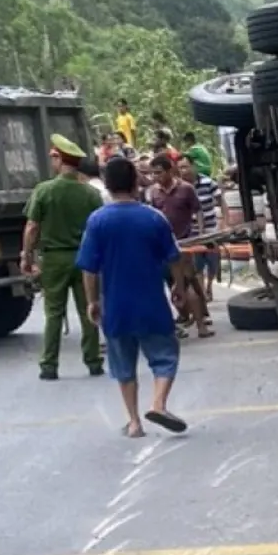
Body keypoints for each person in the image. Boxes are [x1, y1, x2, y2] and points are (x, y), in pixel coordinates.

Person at [78, 157, 189, 438]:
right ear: (135, 182)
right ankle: (159, 403)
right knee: (165, 356)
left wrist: (92, 301)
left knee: (122, 365)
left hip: (115, 306)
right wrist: (178, 286)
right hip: (151, 302)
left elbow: (89, 269)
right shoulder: (154, 217)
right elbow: (174, 257)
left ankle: (135, 423)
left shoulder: (97, 220)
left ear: (107, 184)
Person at [20, 133, 103, 380]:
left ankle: (49, 366)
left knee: (54, 313)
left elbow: (32, 227)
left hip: (54, 259)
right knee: (88, 308)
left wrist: (28, 256)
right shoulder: (90, 194)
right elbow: (99, 227)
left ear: (59, 159)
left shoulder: (44, 190)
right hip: (85, 258)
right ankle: (93, 361)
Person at [145, 154, 212, 337]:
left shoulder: (186, 189)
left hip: (185, 243)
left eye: (159, 172)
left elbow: (198, 212)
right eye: (153, 173)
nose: (155, 177)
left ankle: (201, 325)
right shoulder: (154, 192)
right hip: (163, 245)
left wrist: (201, 234)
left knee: (186, 282)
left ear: (169, 171)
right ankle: (186, 316)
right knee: (172, 283)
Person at [179, 154, 221, 301]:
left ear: (193, 166)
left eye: (185, 166)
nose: (183, 170)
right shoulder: (180, 187)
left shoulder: (208, 182)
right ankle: (203, 293)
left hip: (211, 229)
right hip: (192, 231)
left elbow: (221, 202)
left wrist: (225, 223)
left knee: (213, 261)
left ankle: (209, 285)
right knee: (197, 264)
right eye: (180, 168)